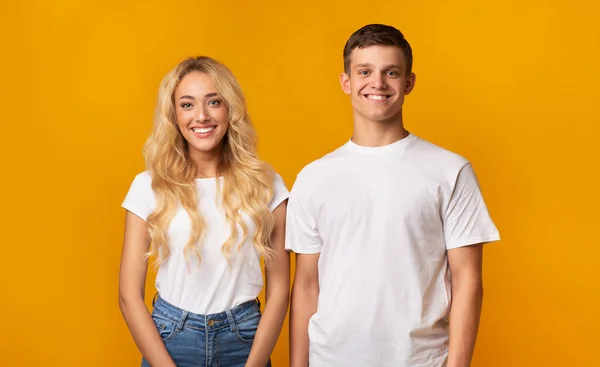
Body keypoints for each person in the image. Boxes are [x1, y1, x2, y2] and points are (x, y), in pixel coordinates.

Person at [286, 24, 500, 367]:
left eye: (391, 72)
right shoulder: (313, 178)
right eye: (365, 71)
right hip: (331, 359)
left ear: (409, 82)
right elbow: (307, 286)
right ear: (346, 82)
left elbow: (468, 280)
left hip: (420, 360)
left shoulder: (450, 171)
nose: (378, 83)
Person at [118, 56, 289, 367]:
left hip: (246, 341)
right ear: (174, 114)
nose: (201, 116)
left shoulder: (267, 185)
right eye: (187, 105)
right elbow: (129, 295)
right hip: (170, 341)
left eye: (214, 102)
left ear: (230, 109)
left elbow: (279, 291)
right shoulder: (148, 187)